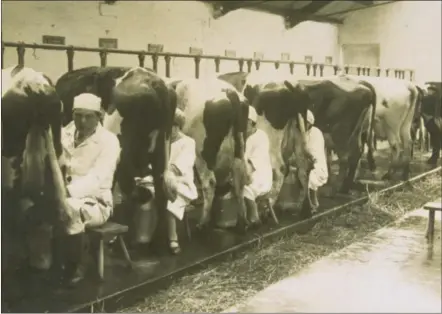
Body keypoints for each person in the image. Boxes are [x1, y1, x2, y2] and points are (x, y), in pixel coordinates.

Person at [57, 93, 121, 286]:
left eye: (88, 116)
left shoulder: (109, 141)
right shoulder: (63, 134)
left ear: (99, 116)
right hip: (62, 193)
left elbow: (97, 178)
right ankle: (50, 261)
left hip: (96, 202)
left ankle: (78, 265)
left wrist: (64, 192)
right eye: (78, 115)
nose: (82, 121)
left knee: (70, 209)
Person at [134, 108, 198, 255]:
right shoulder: (160, 142)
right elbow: (149, 163)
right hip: (158, 178)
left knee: (169, 197)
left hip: (181, 182)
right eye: (168, 127)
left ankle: (172, 238)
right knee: (147, 194)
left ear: (179, 126)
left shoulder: (188, 142)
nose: (171, 130)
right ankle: (145, 237)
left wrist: (161, 172)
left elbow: (179, 166)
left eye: (175, 126)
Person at [243, 106, 273, 225]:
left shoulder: (258, 137)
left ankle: (254, 216)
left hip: (260, 176)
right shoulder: (254, 136)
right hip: (256, 172)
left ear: (250, 122)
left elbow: (252, 165)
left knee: (243, 188)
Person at [304, 109, 328, 211]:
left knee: (310, 176)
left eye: (306, 123)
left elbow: (314, 154)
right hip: (304, 161)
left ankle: (312, 201)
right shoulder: (301, 132)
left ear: (310, 123)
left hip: (316, 164)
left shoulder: (316, 133)